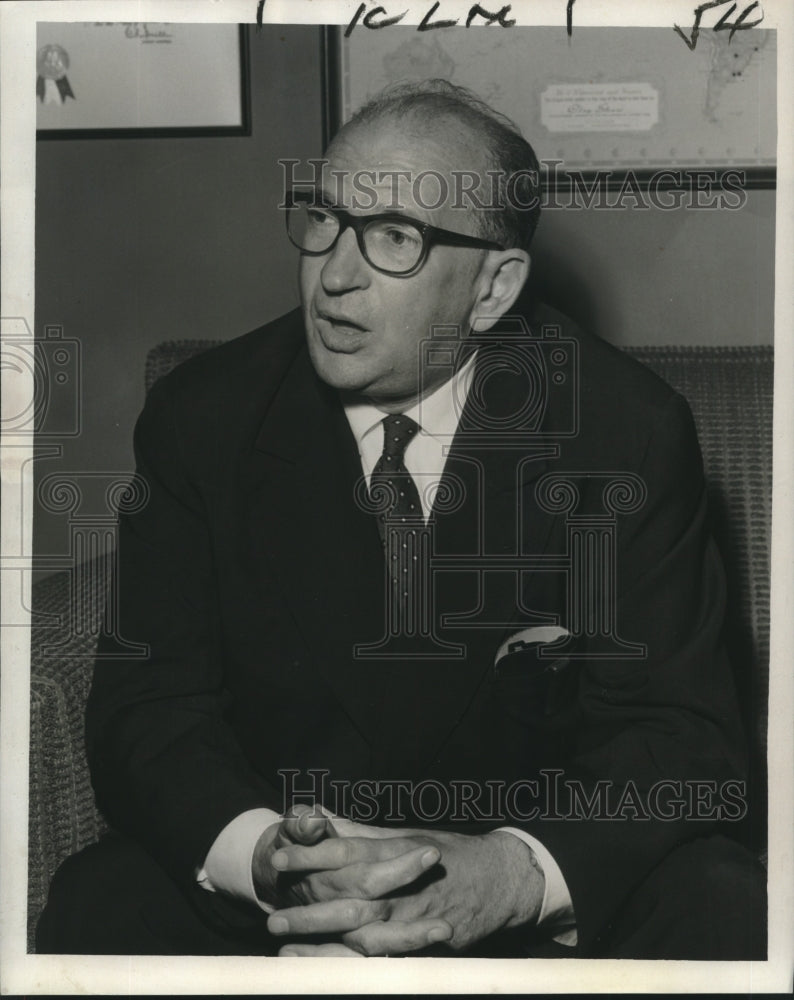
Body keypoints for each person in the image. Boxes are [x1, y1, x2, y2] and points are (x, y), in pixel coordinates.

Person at [36, 80, 766, 959]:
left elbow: (682, 734)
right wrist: (267, 854)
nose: (334, 276)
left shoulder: (623, 429)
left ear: (493, 289)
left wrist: (517, 873)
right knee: (101, 903)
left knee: (720, 902)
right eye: (324, 220)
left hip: (511, 890)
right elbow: (151, 709)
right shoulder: (205, 416)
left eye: (394, 239)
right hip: (289, 884)